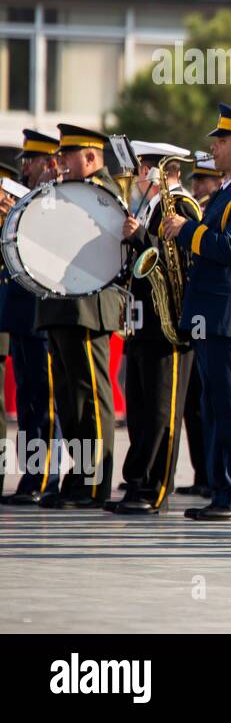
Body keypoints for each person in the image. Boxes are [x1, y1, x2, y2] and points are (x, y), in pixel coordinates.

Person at [160, 105, 231, 521]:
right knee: (216, 408)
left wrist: (187, 231)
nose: (213, 147)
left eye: (220, 141)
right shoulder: (226, 192)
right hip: (212, 315)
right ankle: (224, 490)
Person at [34, 125, 127, 509]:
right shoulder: (65, 191)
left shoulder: (103, 192)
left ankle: (95, 484)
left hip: (88, 307)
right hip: (60, 304)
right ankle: (78, 476)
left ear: (90, 158)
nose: (59, 164)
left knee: (91, 397)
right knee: (71, 401)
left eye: (67, 157)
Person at [115, 141, 200, 514]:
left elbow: (178, 258)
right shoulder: (149, 207)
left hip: (169, 323)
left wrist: (140, 238)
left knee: (162, 410)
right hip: (144, 319)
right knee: (139, 405)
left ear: (166, 171)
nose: (139, 174)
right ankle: (137, 481)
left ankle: (157, 487)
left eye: (146, 166)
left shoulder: (180, 205)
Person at [0, 130, 61, 505]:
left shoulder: (51, 202)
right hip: (22, 315)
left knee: (44, 402)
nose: (24, 167)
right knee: (27, 403)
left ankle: (44, 479)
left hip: (41, 314)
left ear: (47, 163)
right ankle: (31, 477)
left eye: (31, 161)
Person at [175, 151, 223, 498]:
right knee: (201, 404)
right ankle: (206, 477)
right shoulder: (215, 204)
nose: (197, 186)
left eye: (203, 180)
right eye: (195, 180)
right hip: (202, 314)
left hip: (223, 316)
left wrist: (188, 229)